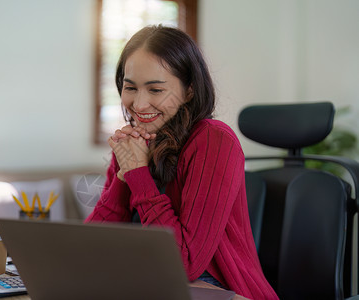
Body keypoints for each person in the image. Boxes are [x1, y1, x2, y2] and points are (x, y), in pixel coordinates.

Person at [85, 25, 278, 300]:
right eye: (130, 88)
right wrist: (124, 175)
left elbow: (184, 264)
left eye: (155, 89)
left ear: (188, 91)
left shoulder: (214, 140)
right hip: (153, 283)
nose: (139, 105)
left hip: (220, 291)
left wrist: (138, 173)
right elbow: (91, 247)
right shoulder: (135, 144)